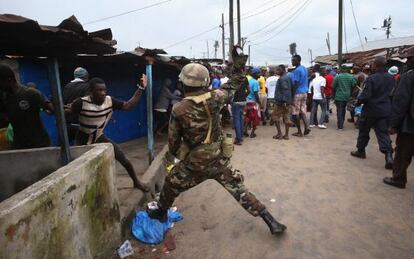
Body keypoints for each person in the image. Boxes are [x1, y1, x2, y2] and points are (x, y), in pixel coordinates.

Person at [148, 63, 287, 235]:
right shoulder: (217, 97)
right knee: (240, 190)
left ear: (184, 83)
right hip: (218, 158)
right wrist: (238, 58)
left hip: (194, 163)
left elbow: (173, 142)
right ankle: (271, 221)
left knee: (171, 184)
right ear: (205, 82)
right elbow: (235, 81)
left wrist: (180, 157)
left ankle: (161, 213)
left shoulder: (179, 109)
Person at [68, 77, 148, 192]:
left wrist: (140, 88)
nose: (103, 93)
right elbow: (68, 111)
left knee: (124, 159)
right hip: (82, 139)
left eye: (104, 90)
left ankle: (136, 182)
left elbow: (128, 106)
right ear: (91, 91)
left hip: (99, 136)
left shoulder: (109, 100)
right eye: (99, 90)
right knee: (79, 168)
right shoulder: (81, 102)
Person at [350, 56, 394, 169]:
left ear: (375, 65)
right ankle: (389, 156)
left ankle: (361, 151)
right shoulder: (391, 78)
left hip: (370, 110)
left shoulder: (371, 78)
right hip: (385, 110)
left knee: (364, 130)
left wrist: (358, 104)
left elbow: (365, 95)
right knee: (383, 133)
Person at [0, 64, 52, 149]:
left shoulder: (31, 94)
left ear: (9, 80)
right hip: (19, 146)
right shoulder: (5, 99)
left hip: (40, 145)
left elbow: (53, 109)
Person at [383, 48, 414, 188]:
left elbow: (400, 102)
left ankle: (398, 179)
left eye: (409, 58)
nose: (407, 61)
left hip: (409, 125)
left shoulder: (408, 77)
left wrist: (393, 124)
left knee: (402, 152)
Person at [63, 67, 90, 142]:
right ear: (86, 76)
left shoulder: (67, 86)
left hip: (67, 123)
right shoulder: (86, 86)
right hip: (81, 123)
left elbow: (64, 102)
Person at [291, 54, 310, 137]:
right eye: (292, 60)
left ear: (298, 61)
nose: (292, 61)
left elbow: (296, 83)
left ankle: (299, 131)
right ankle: (307, 127)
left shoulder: (297, 70)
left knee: (295, 114)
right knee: (302, 111)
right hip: (304, 93)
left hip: (298, 93)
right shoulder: (304, 68)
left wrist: (292, 95)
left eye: (294, 60)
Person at [272, 65, 293, 140]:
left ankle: (279, 133)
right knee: (286, 117)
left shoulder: (282, 79)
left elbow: (285, 90)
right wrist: (289, 100)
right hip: (287, 101)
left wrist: (284, 101)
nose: (277, 71)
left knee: (275, 116)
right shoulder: (288, 77)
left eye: (278, 70)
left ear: (283, 70)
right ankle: (286, 135)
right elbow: (292, 89)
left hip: (281, 102)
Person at [244, 67, 261, 138]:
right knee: (255, 118)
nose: (260, 75)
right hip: (253, 103)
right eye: (259, 73)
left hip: (247, 102)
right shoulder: (255, 82)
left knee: (247, 117)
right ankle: (252, 133)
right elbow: (256, 94)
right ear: (255, 74)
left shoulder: (249, 81)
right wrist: (259, 103)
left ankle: (245, 131)